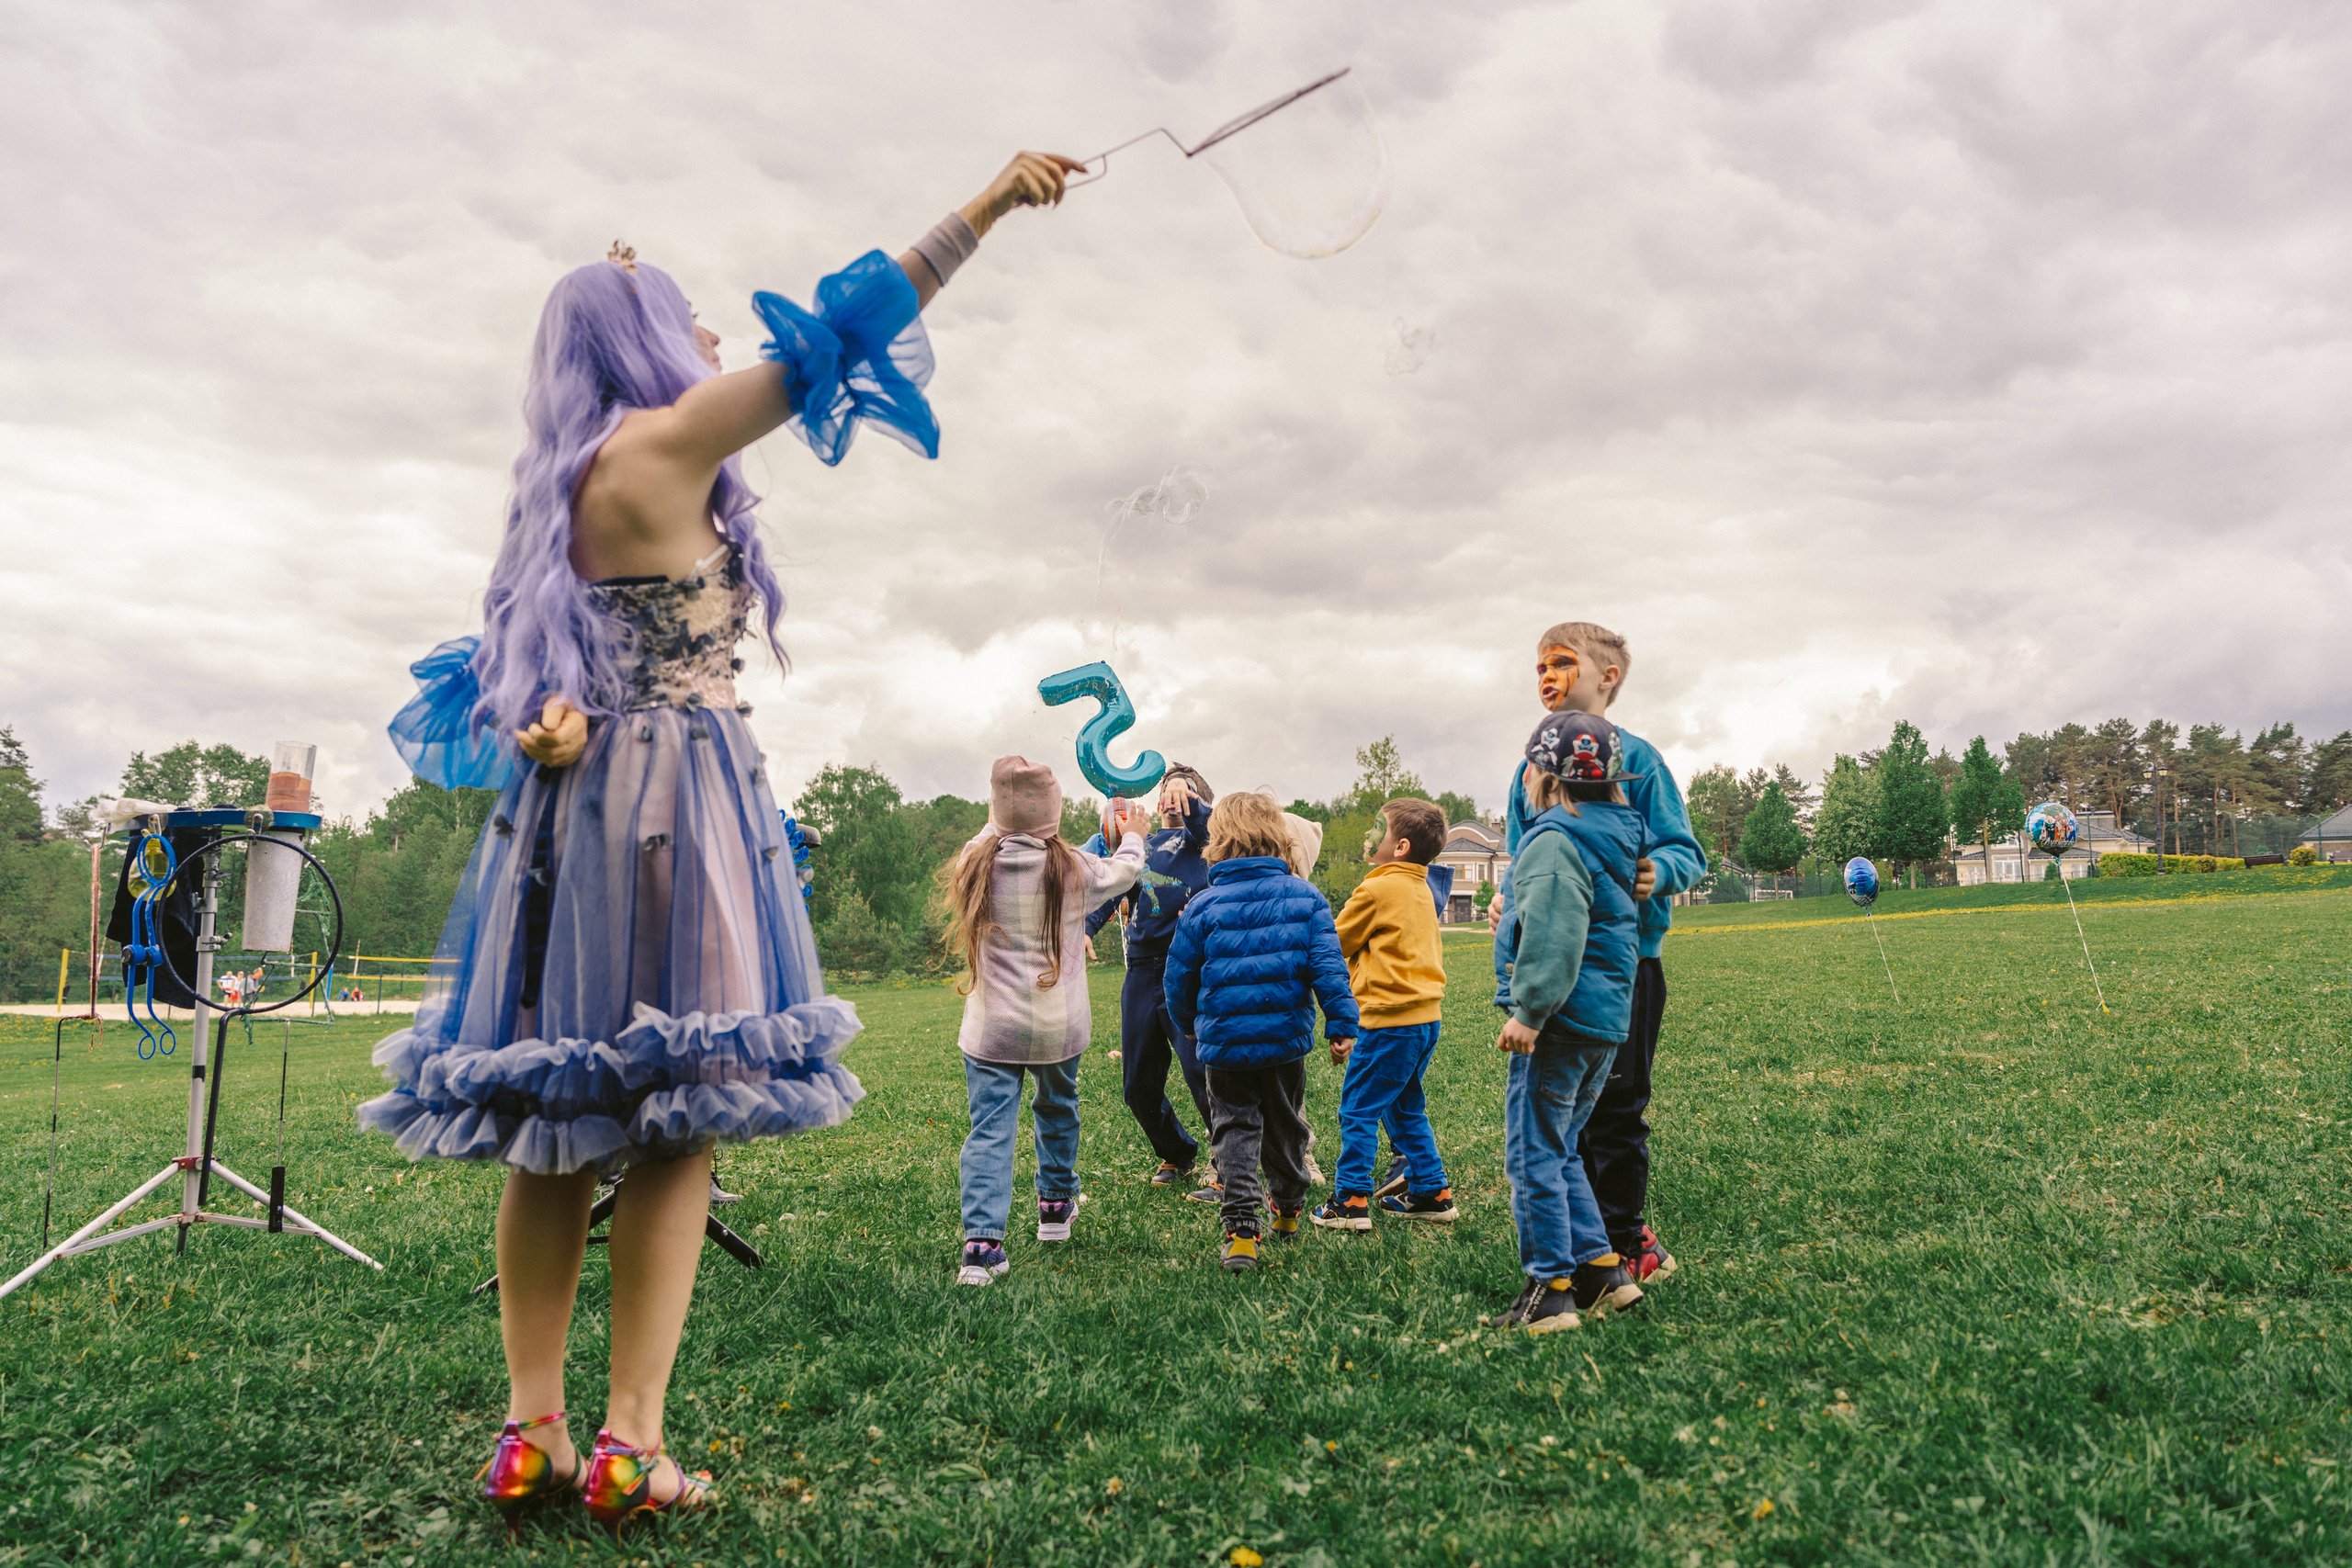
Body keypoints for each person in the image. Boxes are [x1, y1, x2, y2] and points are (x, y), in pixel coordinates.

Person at [359, 147, 1086, 1534]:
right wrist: (987, 205)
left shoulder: (555, 490)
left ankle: (532, 1434)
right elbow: (854, 323)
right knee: (679, 1116)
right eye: (684, 314)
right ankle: (633, 1440)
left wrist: (555, 720)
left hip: (565, 825)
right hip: (680, 804)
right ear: (638, 343)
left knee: (553, 1122)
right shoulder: (671, 439)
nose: (710, 334)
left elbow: (509, 683)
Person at [1483, 622, 1704, 1286]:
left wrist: (1656, 871)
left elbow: (1685, 850)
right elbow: (1529, 857)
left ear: (1607, 676)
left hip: (1629, 961)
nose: (1547, 676)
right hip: (1557, 966)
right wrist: (1507, 897)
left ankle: (1622, 1234)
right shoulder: (1533, 765)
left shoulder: (1639, 760)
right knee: (1563, 1109)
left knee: (1618, 1104)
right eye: (1539, 667)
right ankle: (1589, 1252)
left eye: (1561, 663)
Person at [939, 758, 1147, 1287]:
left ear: (996, 813)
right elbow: (1125, 872)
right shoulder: (1075, 867)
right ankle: (1054, 1208)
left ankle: (982, 1246)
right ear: (1054, 816)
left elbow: (993, 828)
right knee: (1057, 1109)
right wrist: (1134, 836)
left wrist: (1002, 809)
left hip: (992, 1032)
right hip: (1058, 1028)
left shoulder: (974, 864)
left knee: (990, 1130)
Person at [1491, 712, 1650, 1333]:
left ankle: (1550, 1290)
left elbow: (1557, 935)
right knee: (1563, 1150)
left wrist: (1530, 1011)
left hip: (1559, 1022)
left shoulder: (1557, 839)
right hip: (1603, 1020)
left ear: (1544, 775)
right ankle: (1603, 1273)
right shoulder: (1613, 835)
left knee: (1534, 1150)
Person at [1163, 792, 1358, 1271]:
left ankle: (1241, 1231)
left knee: (1233, 1128)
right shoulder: (1306, 897)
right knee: (1286, 1125)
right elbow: (1329, 969)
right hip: (1284, 1042)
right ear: (1279, 837)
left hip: (1225, 1047)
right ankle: (1288, 1208)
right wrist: (1342, 1025)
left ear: (1218, 841)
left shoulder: (1202, 906)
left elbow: (1178, 978)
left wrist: (1188, 1024)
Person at [1312, 796, 1452, 1231]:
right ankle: (1432, 1191)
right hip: (1425, 1019)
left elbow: (1334, 944)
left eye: (1378, 828)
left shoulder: (1375, 888)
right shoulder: (1422, 888)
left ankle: (1350, 1201)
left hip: (1390, 1021)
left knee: (1358, 1110)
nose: (1368, 835)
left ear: (1402, 846)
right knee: (1405, 1108)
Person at [1085, 766, 1220, 1198]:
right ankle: (1177, 1151)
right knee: (1137, 1084)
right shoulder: (1141, 845)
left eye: (1184, 790)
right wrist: (1085, 929)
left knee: (1204, 1071)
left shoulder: (1208, 842)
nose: (1172, 796)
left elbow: (1210, 827)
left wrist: (1194, 801)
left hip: (1190, 969)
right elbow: (1112, 889)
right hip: (1142, 972)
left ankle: (1226, 1158)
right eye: (1167, 788)